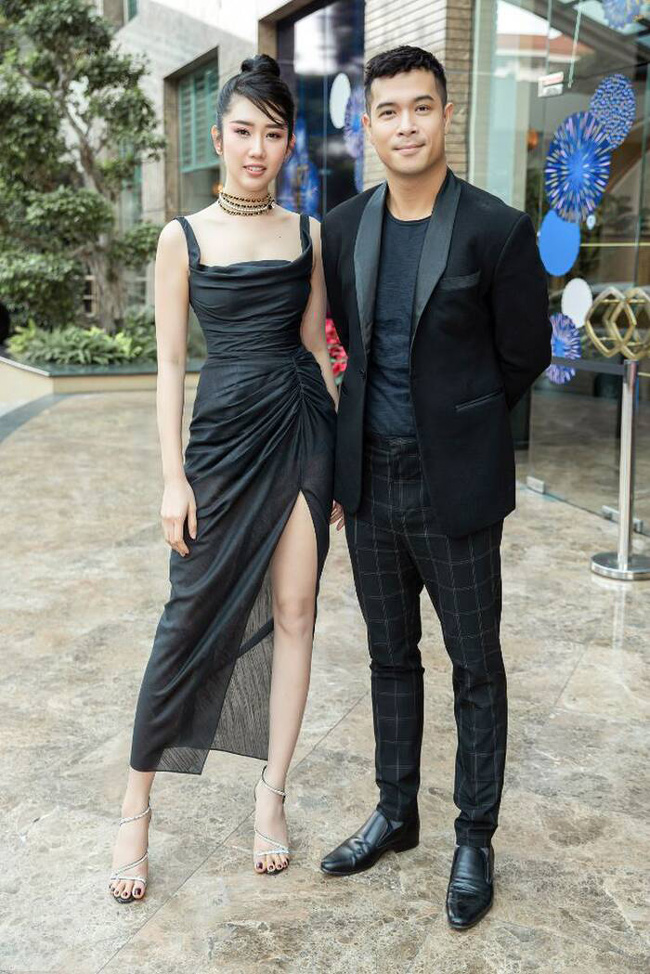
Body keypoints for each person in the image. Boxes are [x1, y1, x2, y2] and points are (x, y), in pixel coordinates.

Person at [319, 45, 551, 930]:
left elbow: (523, 352)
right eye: (389, 111)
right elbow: (346, 341)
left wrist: (464, 425)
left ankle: (474, 838)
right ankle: (396, 811)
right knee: (389, 656)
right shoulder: (343, 228)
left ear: (446, 115)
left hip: (455, 490)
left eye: (422, 107)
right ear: (368, 125)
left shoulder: (496, 228)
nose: (406, 125)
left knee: (475, 666)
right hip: (369, 486)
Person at [108, 54, 337, 903]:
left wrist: (337, 462)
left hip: (302, 431)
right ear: (217, 137)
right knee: (188, 619)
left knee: (296, 613)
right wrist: (174, 479)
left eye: (273, 134)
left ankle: (271, 795)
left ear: (288, 144)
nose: (256, 149)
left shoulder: (308, 234)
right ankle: (135, 807)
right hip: (221, 442)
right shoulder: (184, 237)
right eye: (243, 131)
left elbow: (315, 348)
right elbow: (170, 365)